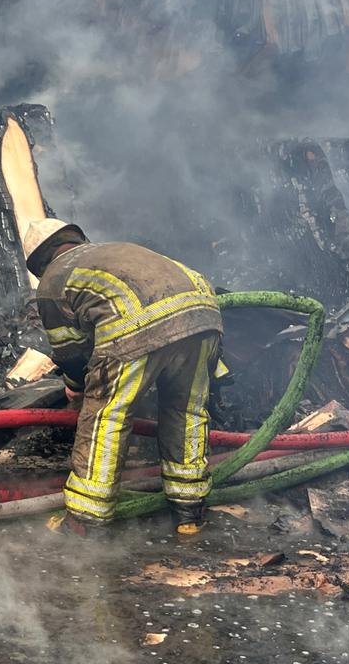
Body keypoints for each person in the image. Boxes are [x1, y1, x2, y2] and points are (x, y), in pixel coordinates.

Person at [21, 219, 222, 536]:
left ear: (39, 262)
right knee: (186, 411)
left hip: (138, 327)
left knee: (106, 416)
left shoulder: (53, 281)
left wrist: (76, 387)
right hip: (203, 315)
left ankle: (85, 521)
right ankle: (189, 514)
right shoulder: (109, 251)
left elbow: (72, 353)